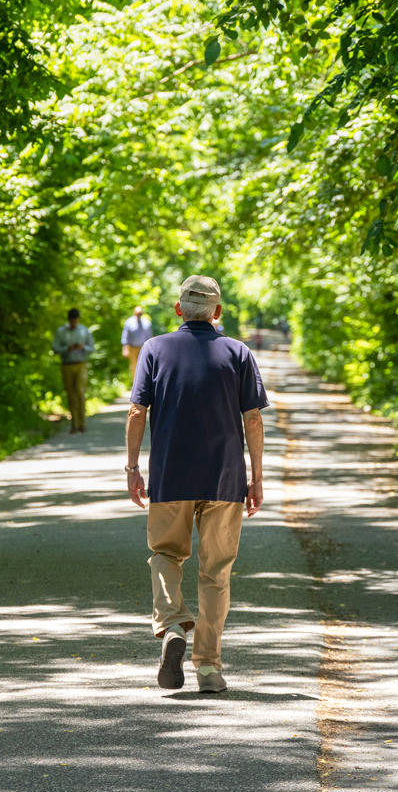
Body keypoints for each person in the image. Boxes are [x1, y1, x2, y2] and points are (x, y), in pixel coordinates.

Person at [125, 275, 268, 693]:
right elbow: (253, 419)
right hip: (225, 479)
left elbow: (137, 412)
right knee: (216, 573)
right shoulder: (238, 352)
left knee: (165, 554)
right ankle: (208, 668)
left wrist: (133, 469)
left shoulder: (154, 349)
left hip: (170, 476)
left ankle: (172, 626)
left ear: (178, 310)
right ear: (217, 313)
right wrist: (257, 478)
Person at [51, 307, 95, 433]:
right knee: (71, 394)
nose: (74, 322)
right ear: (69, 320)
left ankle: (82, 423)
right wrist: (66, 349)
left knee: (80, 392)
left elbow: (91, 348)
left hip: (81, 364)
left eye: (76, 319)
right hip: (67, 365)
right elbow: (55, 348)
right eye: (72, 320)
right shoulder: (61, 332)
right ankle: (74, 424)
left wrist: (83, 347)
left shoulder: (84, 331)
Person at [120, 305, 153, 381]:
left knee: (144, 365)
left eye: (140, 313)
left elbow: (150, 337)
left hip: (143, 347)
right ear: (134, 313)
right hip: (132, 348)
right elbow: (125, 336)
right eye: (137, 313)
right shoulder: (129, 322)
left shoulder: (147, 323)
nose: (139, 315)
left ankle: (144, 382)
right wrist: (125, 348)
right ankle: (135, 383)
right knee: (134, 366)